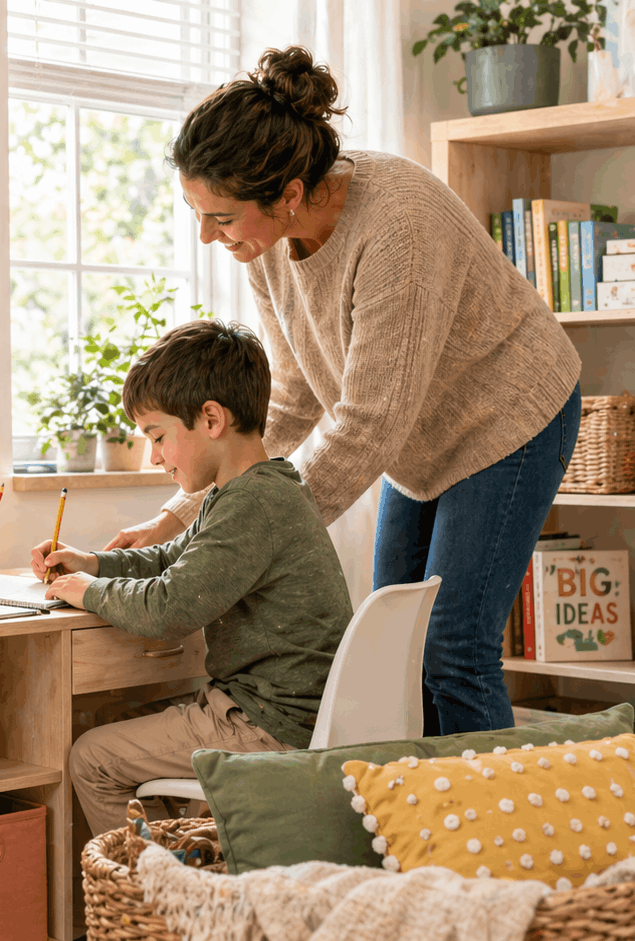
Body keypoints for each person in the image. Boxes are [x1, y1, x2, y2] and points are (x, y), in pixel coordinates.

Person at [106, 45, 581, 736]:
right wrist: (181, 517)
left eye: (222, 216)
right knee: (385, 656)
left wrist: (253, 524)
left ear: (289, 194)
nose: (206, 236)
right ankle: (412, 821)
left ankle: (495, 837)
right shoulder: (264, 247)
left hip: (508, 416)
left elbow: (366, 422)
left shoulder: (398, 227)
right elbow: (294, 399)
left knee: (453, 648)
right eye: (196, 211)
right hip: (412, 437)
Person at [33, 318, 352, 833]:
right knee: (110, 721)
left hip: (269, 726)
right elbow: (169, 560)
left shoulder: (253, 504)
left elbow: (171, 606)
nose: (155, 457)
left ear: (210, 419)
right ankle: (181, 873)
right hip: (271, 711)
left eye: (157, 436)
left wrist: (89, 591)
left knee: (92, 757)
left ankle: (158, 903)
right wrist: (90, 562)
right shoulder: (250, 491)